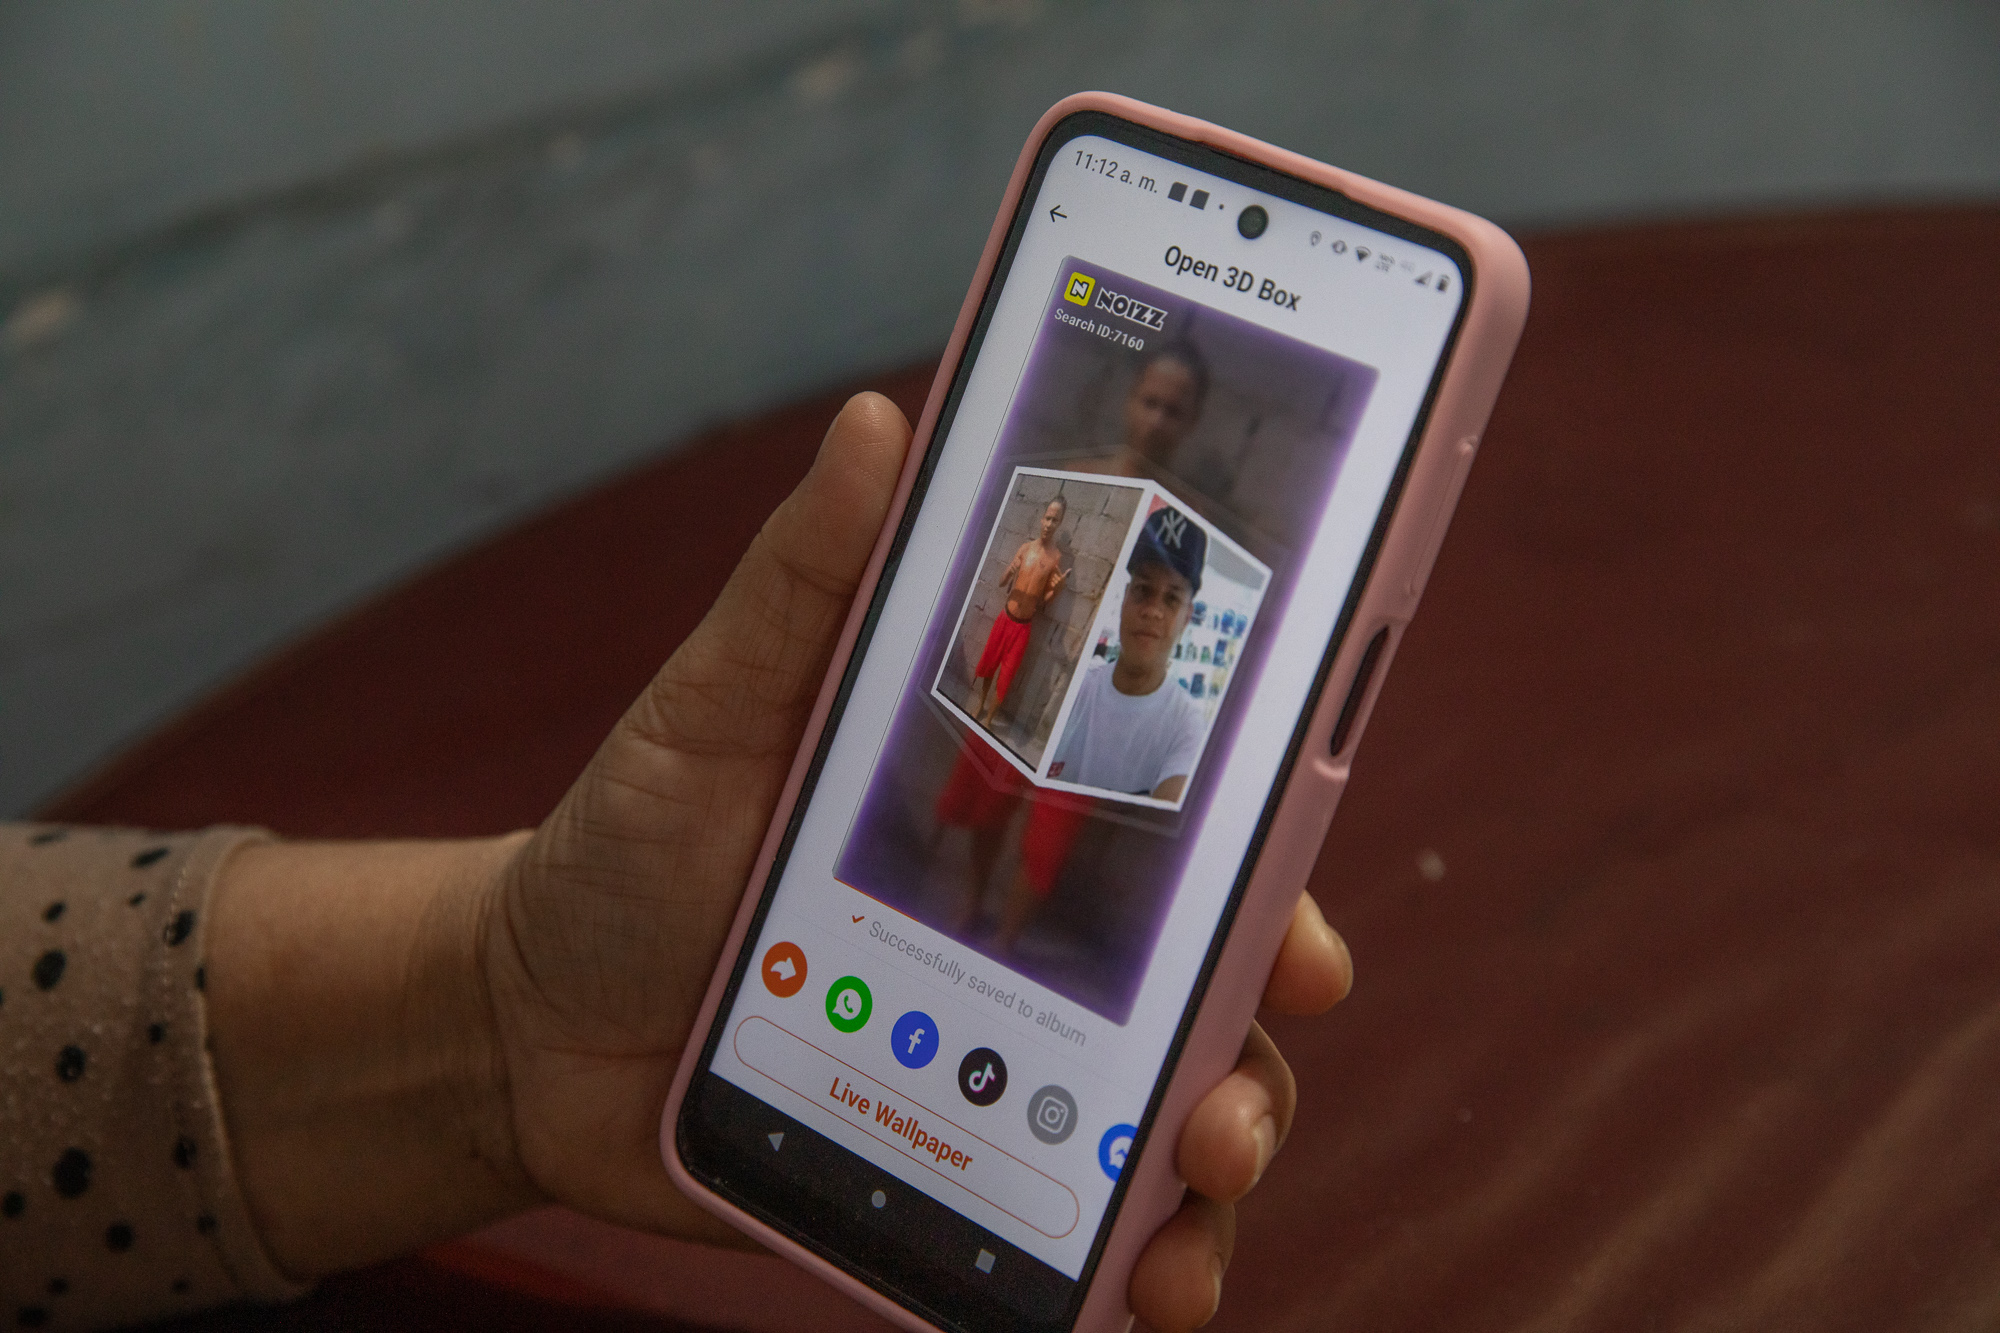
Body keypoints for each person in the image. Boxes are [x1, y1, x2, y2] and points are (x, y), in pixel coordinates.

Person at [0, 394, 1353, 1333]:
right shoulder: (1054, 544)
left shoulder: (1175, 697)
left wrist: (499, 1012)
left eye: (1174, 595)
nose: (1155, 602)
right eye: (1147, 588)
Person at [1047, 505, 1209, 805]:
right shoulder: (1079, 689)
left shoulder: (1186, 725)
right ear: (1125, 598)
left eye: (1172, 598)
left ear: (1187, 618)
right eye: (1143, 590)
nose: (1153, 611)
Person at [968, 494, 1070, 728]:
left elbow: (1044, 602)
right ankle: (980, 705)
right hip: (1005, 618)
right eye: (1047, 518)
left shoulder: (1055, 558)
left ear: (1059, 523)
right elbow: (1003, 583)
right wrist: (1010, 569)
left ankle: (990, 719)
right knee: (989, 665)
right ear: (1041, 518)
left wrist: (1057, 590)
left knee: (1006, 677)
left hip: (1023, 628)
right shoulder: (1025, 548)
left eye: (1055, 520)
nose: (1048, 524)